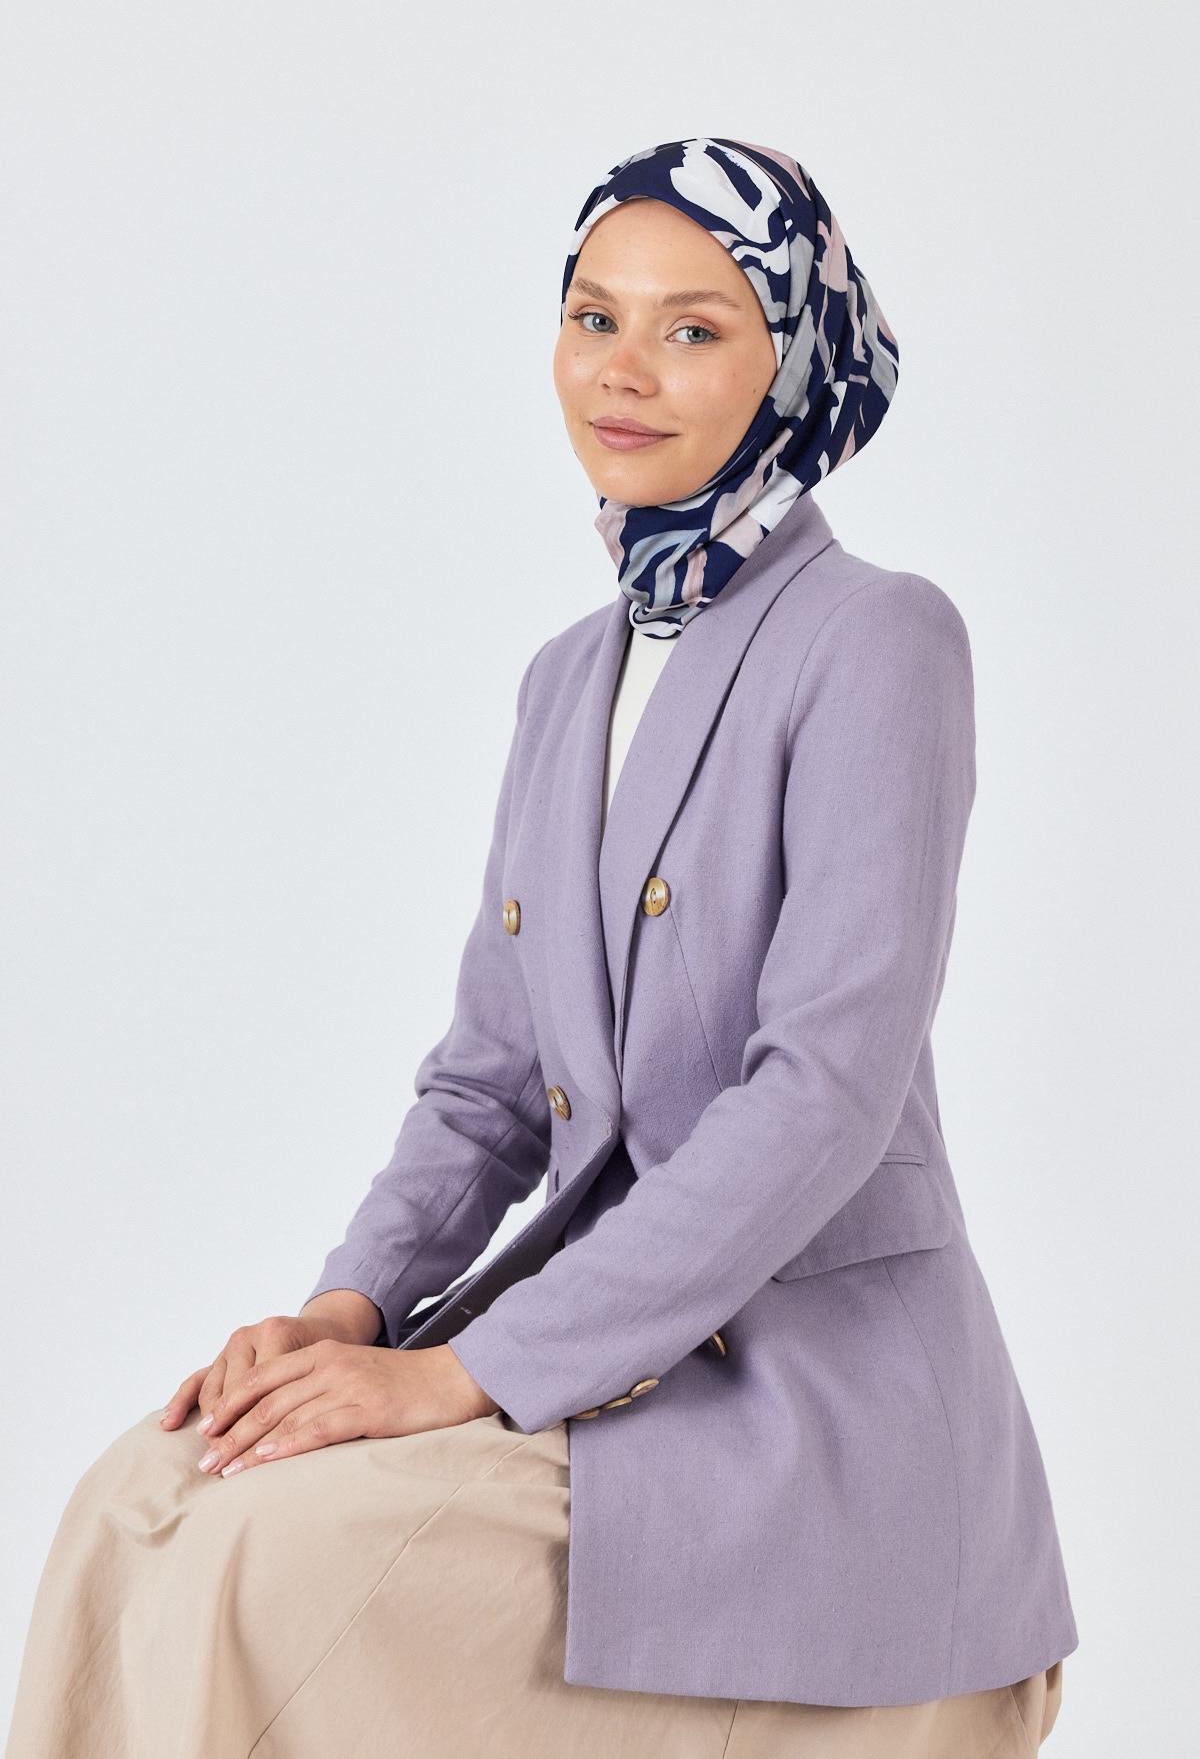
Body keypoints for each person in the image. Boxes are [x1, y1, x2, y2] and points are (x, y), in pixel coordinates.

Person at [4, 136, 1076, 1758]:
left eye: (694, 327)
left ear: (793, 364)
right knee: (137, 1494)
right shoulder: (567, 678)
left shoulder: (878, 638)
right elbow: (490, 1084)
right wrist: (352, 1312)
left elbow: (826, 1096)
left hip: (808, 1413)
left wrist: (463, 1376)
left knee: (250, 1560)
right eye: (593, 317)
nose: (621, 371)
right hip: (585, 1362)